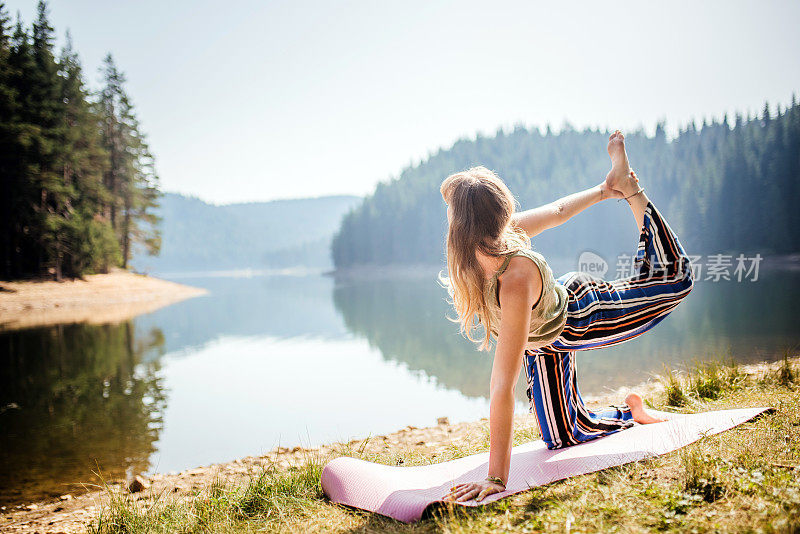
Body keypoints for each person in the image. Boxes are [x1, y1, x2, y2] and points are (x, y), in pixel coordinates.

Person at [441, 131, 694, 503]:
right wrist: (602, 190)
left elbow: (501, 385)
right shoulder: (477, 255)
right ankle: (631, 411)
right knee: (563, 436)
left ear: (460, 227)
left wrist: (496, 477)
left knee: (675, 279)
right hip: (542, 341)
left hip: (579, 314)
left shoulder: (514, 274)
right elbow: (558, 211)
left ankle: (633, 190)